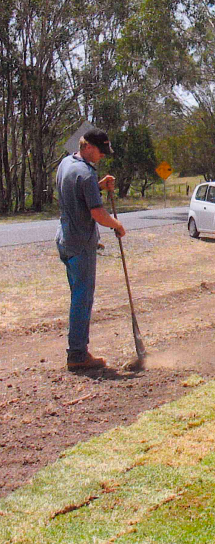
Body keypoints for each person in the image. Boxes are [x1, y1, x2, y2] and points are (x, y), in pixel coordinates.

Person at [55, 128, 126, 371]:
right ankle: (77, 354)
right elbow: (97, 213)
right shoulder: (85, 173)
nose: (102, 156)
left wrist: (98, 187)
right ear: (86, 146)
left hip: (65, 240)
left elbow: (77, 193)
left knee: (78, 295)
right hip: (81, 244)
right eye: (100, 151)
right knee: (82, 299)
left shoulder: (67, 163)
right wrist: (117, 224)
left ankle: (77, 350)